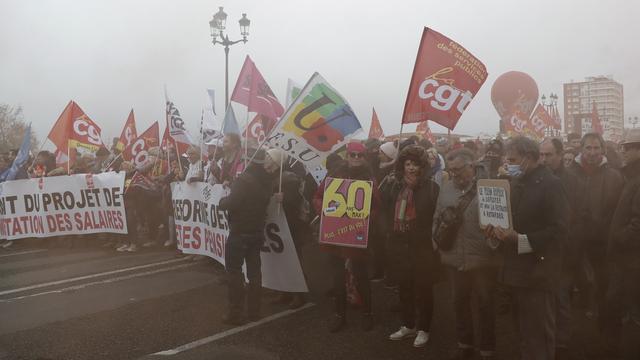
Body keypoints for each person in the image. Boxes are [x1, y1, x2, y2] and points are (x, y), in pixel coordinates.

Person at [486, 136, 569, 360]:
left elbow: (559, 229)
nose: (508, 163)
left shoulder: (551, 184)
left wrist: (521, 239)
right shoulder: (517, 182)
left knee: (538, 336)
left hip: (538, 274)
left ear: (529, 158)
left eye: (513, 159)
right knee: (523, 333)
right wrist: (496, 230)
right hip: (515, 272)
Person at [436, 148, 499, 360]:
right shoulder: (445, 188)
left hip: (482, 259)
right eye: (450, 170)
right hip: (454, 257)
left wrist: (495, 243)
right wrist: (436, 243)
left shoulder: (490, 187)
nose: (454, 174)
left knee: (485, 304)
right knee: (459, 303)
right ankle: (465, 344)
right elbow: (437, 218)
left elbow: (501, 222)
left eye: (458, 169)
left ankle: (487, 348)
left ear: (471, 166)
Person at [313, 141, 380, 333]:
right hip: (334, 234)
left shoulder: (370, 179)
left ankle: (368, 314)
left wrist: (365, 220)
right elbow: (317, 196)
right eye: (353, 155)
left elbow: (376, 206)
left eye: (360, 155)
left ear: (365, 157)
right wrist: (325, 211)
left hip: (356, 235)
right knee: (337, 278)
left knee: (361, 276)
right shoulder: (334, 174)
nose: (356, 158)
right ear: (347, 155)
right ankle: (339, 315)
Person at [570, 133, 623, 341]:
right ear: (581, 150)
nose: (592, 152)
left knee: (603, 286)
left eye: (596, 148)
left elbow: (617, 211)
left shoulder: (615, 177)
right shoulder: (569, 174)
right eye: (588, 148)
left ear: (603, 150)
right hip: (574, 241)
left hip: (602, 242)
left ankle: (605, 333)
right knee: (573, 287)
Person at [385, 145, 440, 348]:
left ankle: (424, 328)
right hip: (400, 247)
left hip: (423, 248)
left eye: (415, 164)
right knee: (404, 287)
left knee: (424, 290)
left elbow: (437, 219)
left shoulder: (432, 188)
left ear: (422, 166)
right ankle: (408, 325)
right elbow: (385, 210)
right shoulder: (395, 186)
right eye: (407, 164)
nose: (411, 168)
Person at [219, 148, 276, 325]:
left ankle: (236, 313)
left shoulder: (243, 180)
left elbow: (232, 203)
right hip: (256, 232)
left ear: (247, 160)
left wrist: (222, 201)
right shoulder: (268, 180)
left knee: (234, 272)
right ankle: (254, 311)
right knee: (254, 274)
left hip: (240, 233)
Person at [540, 138, 585, 359]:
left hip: (564, 252)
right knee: (546, 300)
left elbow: (576, 220)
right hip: (543, 251)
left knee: (561, 300)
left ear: (560, 155)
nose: (544, 159)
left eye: (548, 155)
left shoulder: (572, 182)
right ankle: (549, 338)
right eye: (542, 155)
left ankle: (562, 343)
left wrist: (569, 253)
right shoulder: (540, 178)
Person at [607, 129, 640, 359]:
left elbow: (637, 224)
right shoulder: (631, 177)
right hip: (628, 259)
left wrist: (619, 237)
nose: (624, 151)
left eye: (629, 147)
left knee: (629, 311)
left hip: (631, 260)